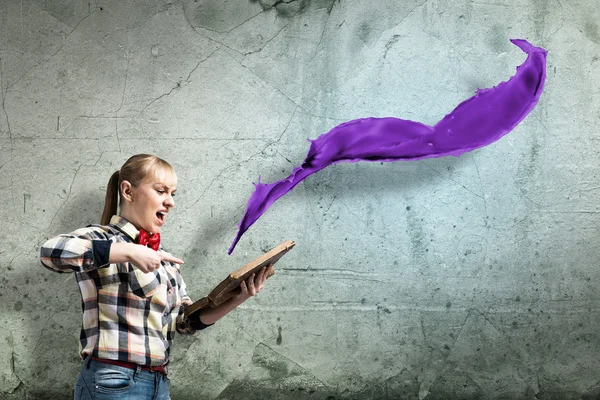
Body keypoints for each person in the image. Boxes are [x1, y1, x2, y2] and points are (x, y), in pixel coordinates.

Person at [39, 154, 272, 400]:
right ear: (128, 191)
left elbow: (185, 323)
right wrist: (128, 251)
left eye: (173, 193)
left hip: (158, 383)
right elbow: (50, 252)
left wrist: (238, 297)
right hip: (112, 381)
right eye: (161, 191)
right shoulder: (104, 239)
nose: (170, 202)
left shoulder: (165, 260)